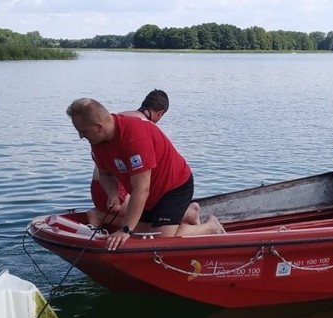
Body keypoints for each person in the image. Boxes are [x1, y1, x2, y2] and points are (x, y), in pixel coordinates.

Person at [67, 98, 224, 251]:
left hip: (174, 186)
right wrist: (113, 193)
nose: (81, 136)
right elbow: (105, 174)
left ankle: (210, 227)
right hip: (149, 194)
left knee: (160, 240)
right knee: (142, 235)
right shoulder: (97, 143)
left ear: (99, 127)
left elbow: (141, 189)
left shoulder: (135, 136)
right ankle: (188, 213)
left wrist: (125, 229)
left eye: (83, 131)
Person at [86, 89, 200, 228]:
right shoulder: (142, 126)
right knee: (149, 232)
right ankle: (189, 215)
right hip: (117, 186)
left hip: (101, 186)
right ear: (160, 113)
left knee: (146, 230)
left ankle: (180, 217)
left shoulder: (121, 117)